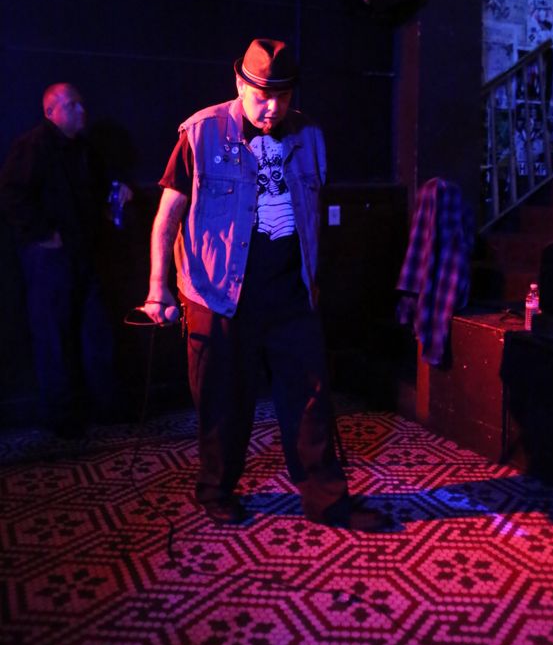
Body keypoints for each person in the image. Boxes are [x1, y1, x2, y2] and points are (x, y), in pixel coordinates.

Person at [143, 38, 387, 531]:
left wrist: (314, 279)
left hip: (290, 294)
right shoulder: (201, 132)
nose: (272, 107)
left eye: (282, 96)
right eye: (261, 96)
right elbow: (167, 217)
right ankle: (216, 491)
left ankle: (327, 501)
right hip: (219, 295)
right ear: (239, 84)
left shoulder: (310, 135)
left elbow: (313, 211)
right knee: (223, 401)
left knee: (311, 399)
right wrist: (157, 288)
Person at [0, 82, 133, 437]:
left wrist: (118, 192)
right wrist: (45, 234)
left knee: (95, 330)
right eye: (72, 105)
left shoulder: (84, 150)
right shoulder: (33, 146)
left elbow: (98, 189)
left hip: (84, 251)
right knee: (53, 336)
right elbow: (11, 195)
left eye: (81, 104)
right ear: (51, 111)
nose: (81, 111)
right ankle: (61, 417)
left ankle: (106, 406)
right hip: (49, 257)